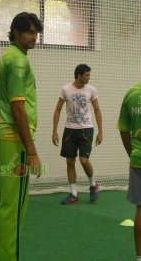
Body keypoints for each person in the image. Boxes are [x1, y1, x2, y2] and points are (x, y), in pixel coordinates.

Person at [0, 12, 43, 261]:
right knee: (14, 208)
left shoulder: (8, 57)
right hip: (14, 140)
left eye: (36, 32)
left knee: (8, 205)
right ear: (15, 32)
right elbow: (18, 107)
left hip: (3, 136)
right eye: (30, 32)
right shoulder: (18, 61)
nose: (34, 37)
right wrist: (31, 151)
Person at [52, 64, 103, 205]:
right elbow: (57, 110)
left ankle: (93, 184)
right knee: (70, 161)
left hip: (86, 129)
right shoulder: (66, 89)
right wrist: (54, 131)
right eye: (86, 75)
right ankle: (73, 194)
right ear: (79, 76)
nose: (89, 77)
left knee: (84, 160)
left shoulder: (91, 90)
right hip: (69, 130)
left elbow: (97, 110)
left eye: (89, 74)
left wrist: (100, 131)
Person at [117, 54, 141, 261]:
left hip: (138, 160)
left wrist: (133, 154)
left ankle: (140, 259)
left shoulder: (132, 92)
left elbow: (124, 129)